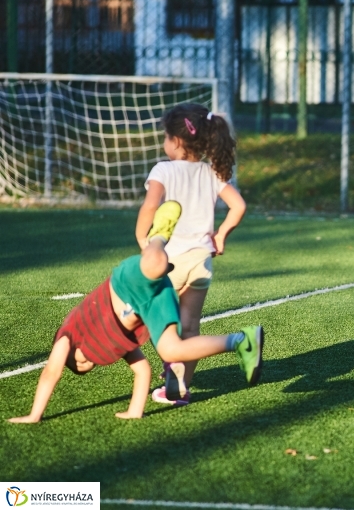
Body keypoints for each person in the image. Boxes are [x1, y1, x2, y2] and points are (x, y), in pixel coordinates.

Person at [8, 202, 263, 423]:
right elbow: (143, 371)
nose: (86, 361)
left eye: (79, 361)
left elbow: (51, 373)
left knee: (155, 263)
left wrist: (34, 415)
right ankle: (240, 341)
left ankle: (158, 235)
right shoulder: (113, 345)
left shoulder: (68, 336)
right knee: (170, 350)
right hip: (153, 301)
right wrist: (134, 411)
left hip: (124, 285)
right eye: (88, 366)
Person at [135, 103, 246, 405]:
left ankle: (171, 371)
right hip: (200, 260)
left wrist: (142, 238)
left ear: (177, 141)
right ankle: (181, 386)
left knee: (164, 324)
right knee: (191, 325)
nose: (164, 142)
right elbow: (239, 207)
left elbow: (150, 206)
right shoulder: (211, 172)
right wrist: (221, 235)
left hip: (169, 260)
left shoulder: (163, 169)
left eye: (165, 136)